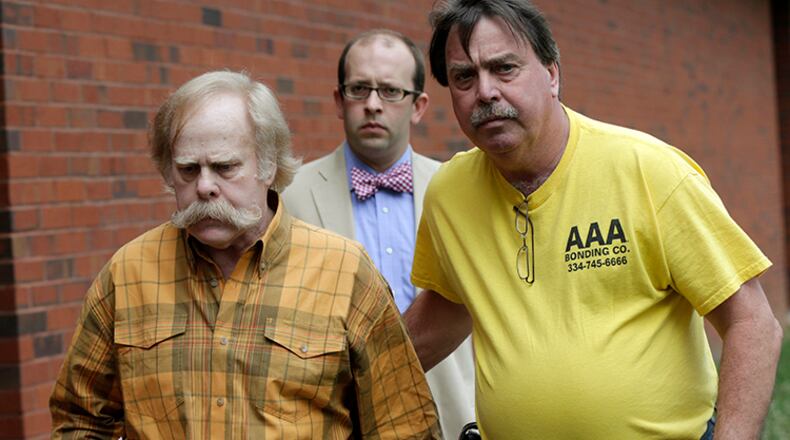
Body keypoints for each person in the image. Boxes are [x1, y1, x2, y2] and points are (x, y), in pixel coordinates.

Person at [404, 1, 784, 439]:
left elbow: (751, 321)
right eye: (464, 77)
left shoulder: (648, 172)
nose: (485, 92)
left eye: (504, 68)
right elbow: (449, 307)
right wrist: (342, 380)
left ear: (552, 74)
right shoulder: (449, 193)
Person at [49, 71, 441, 439]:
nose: (204, 186)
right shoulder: (129, 273)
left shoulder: (343, 270)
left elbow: (403, 426)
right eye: (187, 169)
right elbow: (79, 418)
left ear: (268, 165)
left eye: (224, 167)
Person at [282, 29, 475, 439]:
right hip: (335, 416)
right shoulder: (288, 196)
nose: (372, 105)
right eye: (359, 89)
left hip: (453, 413)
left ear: (419, 106)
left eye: (390, 91)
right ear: (339, 100)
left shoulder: (462, 190)